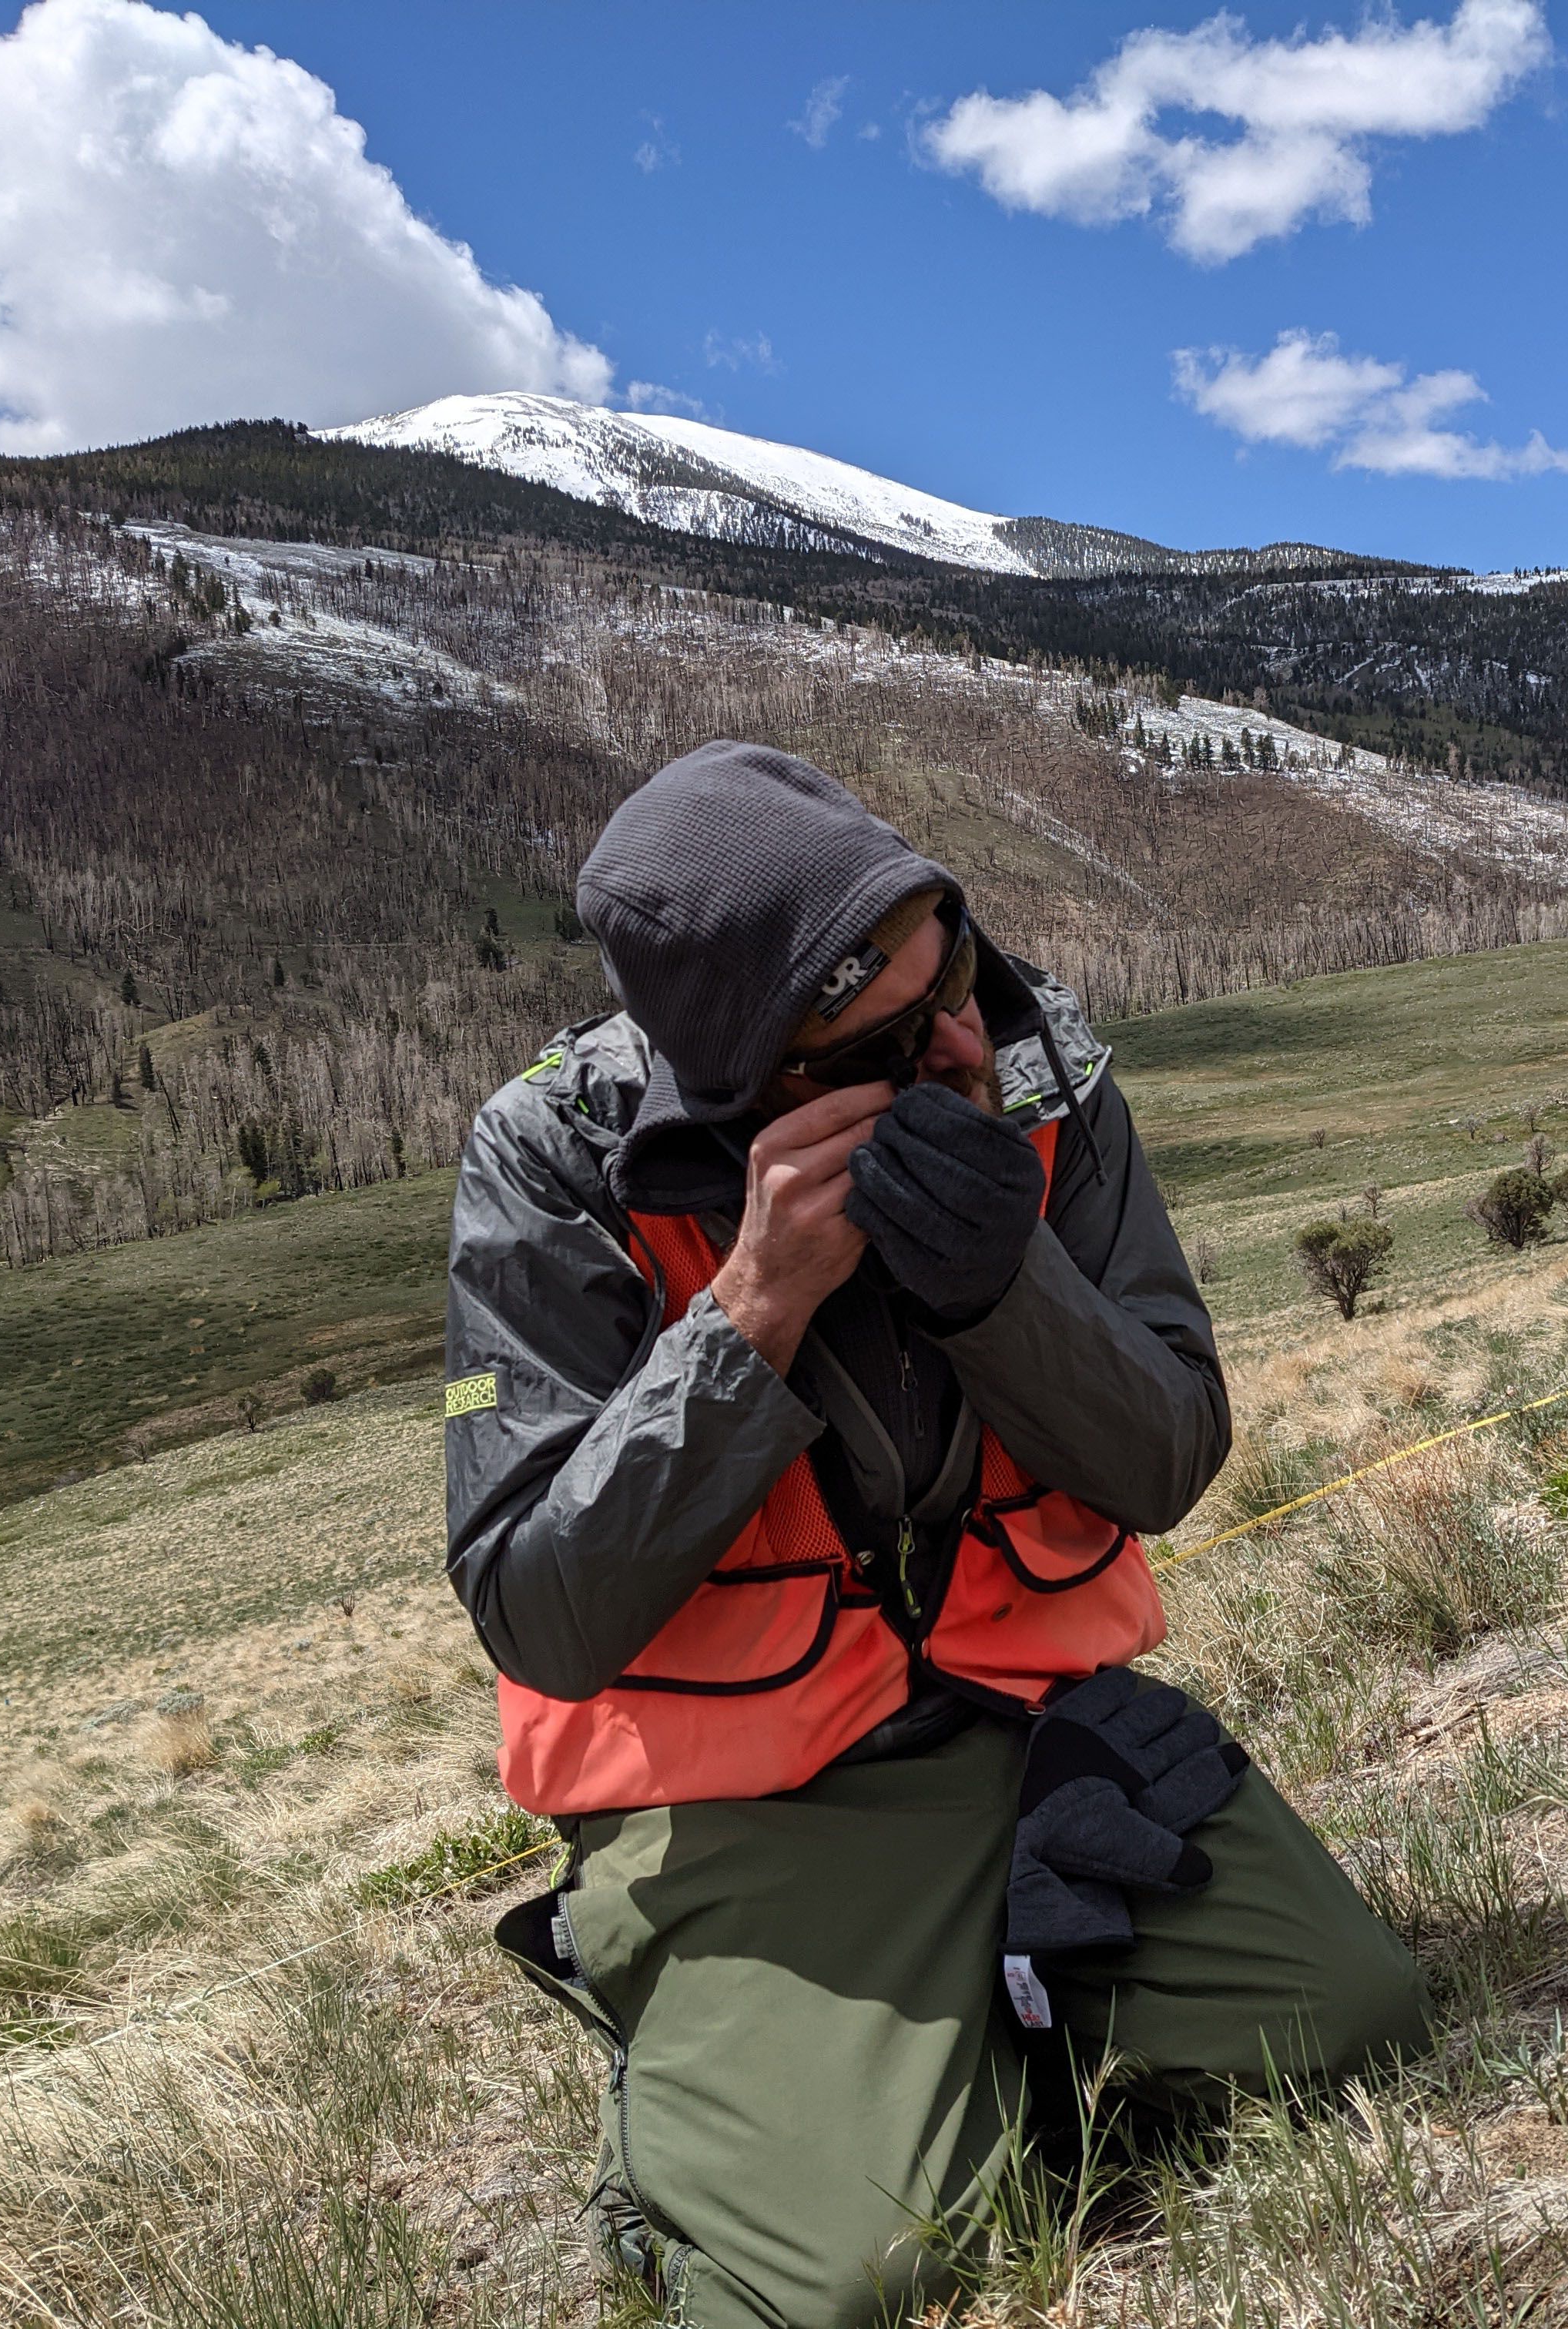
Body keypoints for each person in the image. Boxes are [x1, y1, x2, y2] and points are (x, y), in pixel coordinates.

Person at [441, 740, 1429, 2328]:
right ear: (762, 1076)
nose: (966, 1036)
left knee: (1351, 2018)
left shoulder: (1044, 1066)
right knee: (864, 2277)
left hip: (1040, 1730)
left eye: (955, 962)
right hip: (754, 1796)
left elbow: (1167, 1456)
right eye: (891, 1037)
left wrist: (1001, 1285)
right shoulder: (556, 1158)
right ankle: (709, 2110)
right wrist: (753, 1309)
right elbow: (536, 1608)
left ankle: (957, 2054)